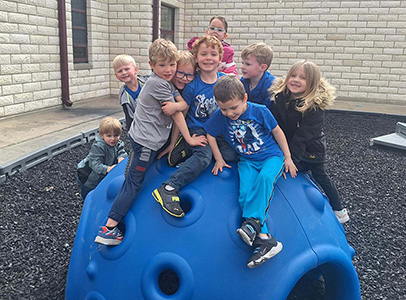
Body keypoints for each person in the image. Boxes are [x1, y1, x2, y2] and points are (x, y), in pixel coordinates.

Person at [94, 39, 207, 246]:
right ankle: (109, 227)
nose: (168, 70)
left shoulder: (164, 82)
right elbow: (178, 115)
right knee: (134, 182)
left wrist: (177, 107)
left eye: (172, 65)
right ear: (151, 65)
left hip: (148, 138)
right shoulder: (157, 84)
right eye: (162, 65)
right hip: (145, 143)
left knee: (141, 173)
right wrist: (189, 138)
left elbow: (179, 105)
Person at [204, 76, 297, 268]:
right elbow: (210, 134)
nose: (229, 113)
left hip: (271, 157)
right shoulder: (220, 117)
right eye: (223, 109)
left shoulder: (260, 111)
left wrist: (287, 157)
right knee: (245, 193)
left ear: (244, 98)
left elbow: (278, 132)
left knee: (264, 179)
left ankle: (253, 224)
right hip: (247, 160)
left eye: (233, 108)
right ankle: (265, 239)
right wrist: (219, 158)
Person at [152, 35, 238, 217]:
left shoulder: (225, 81)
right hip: (198, 129)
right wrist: (173, 143)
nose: (208, 58)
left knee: (231, 154)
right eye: (203, 54)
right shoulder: (193, 85)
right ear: (196, 58)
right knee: (205, 156)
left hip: (218, 130)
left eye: (213, 54)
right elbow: (180, 115)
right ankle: (169, 187)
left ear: (220, 58)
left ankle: (187, 155)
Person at [270, 60, 350, 224]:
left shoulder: (314, 107)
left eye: (303, 78)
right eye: (293, 75)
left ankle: (339, 210)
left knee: (321, 176)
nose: (296, 80)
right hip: (290, 146)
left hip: (311, 150)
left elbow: (304, 136)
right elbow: (273, 123)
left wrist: (290, 159)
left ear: (312, 84)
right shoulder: (281, 98)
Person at [77, 117, 128, 199]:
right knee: (89, 195)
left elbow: (121, 151)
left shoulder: (118, 143)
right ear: (102, 135)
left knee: (100, 192)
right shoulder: (99, 146)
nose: (113, 139)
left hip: (101, 176)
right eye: (109, 136)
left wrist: (121, 157)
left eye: (116, 135)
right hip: (88, 177)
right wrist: (107, 169)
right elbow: (94, 163)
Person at [113, 54, 148, 131]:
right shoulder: (124, 96)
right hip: (141, 128)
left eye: (126, 69)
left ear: (135, 69)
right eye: (120, 71)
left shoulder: (147, 83)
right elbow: (129, 118)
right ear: (116, 76)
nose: (124, 72)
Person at [240, 42, 275, 111]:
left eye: (247, 64)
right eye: (242, 63)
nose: (242, 67)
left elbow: (266, 111)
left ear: (262, 67)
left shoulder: (271, 86)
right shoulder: (243, 82)